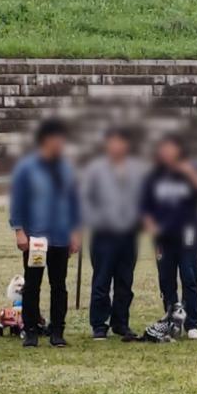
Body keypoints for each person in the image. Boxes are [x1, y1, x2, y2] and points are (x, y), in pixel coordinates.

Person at [8, 117, 81, 348]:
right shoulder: (27, 168)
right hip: (35, 239)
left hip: (60, 237)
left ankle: (57, 331)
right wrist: (19, 230)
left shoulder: (67, 169)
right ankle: (30, 330)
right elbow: (18, 200)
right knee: (32, 284)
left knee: (59, 285)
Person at [80, 126, 148, 340]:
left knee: (125, 281)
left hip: (129, 233)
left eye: (121, 142)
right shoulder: (95, 169)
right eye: (113, 142)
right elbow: (84, 199)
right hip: (103, 234)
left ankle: (121, 322)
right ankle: (99, 324)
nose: (117, 146)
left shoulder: (137, 169)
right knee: (101, 280)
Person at [141, 133, 197, 339]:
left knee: (189, 278)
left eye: (172, 148)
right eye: (164, 149)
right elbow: (145, 205)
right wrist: (151, 225)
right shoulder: (155, 175)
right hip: (163, 236)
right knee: (166, 280)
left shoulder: (190, 169)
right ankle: (172, 320)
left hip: (188, 234)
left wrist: (189, 171)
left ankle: (191, 322)